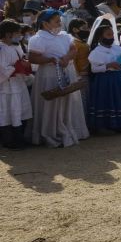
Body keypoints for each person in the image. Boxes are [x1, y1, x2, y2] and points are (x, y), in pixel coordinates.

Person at [27, 9, 90, 147]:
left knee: (68, 102)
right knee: (51, 103)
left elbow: (73, 49)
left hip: (67, 71)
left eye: (59, 20)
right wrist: (50, 59)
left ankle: (71, 130)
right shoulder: (37, 39)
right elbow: (32, 57)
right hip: (49, 74)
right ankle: (50, 133)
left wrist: (66, 58)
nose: (59, 23)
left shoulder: (64, 36)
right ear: (45, 23)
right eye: (56, 21)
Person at [86, 17, 121, 133]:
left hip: (117, 78)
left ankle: (118, 124)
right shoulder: (96, 52)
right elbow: (94, 69)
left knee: (117, 100)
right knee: (104, 101)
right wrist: (108, 65)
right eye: (108, 35)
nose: (111, 37)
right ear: (100, 37)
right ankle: (102, 126)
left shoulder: (117, 49)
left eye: (112, 34)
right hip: (103, 80)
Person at [0, 20, 33, 149]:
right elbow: (2, 68)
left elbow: (20, 59)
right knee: (8, 113)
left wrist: (24, 63)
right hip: (7, 87)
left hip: (19, 84)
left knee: (20, 112)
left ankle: (20, 138)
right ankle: (10, 141)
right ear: (8, 34)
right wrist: (16, 67)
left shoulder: (15, 46)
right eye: (17, 33)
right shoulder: (1, 48)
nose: (19, 35)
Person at [67, 18, 91, 112]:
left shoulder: (81, 41)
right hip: (80, 76)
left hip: (86, 74)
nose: (87, 30)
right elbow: (72, 60)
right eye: (84, 28)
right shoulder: (74, 43)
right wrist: (77, 76)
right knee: (82, 100)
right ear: (75, 29)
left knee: (86, 99)